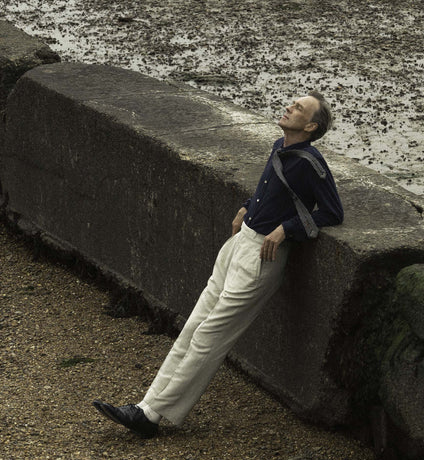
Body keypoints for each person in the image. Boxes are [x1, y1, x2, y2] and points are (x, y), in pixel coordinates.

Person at [93, 91, 344, 438]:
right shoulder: (279, 146)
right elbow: (271, 192)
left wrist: (286, 230)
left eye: (298, 107)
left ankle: (150, 415)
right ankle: (144, 406)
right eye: (292, 102)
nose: (289, 107)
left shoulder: (311, 163)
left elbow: (332, 212)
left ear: (311, 125)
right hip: (239, 245)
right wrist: (246, 206)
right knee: (193, 328)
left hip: (261, 259)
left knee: (209, 337)